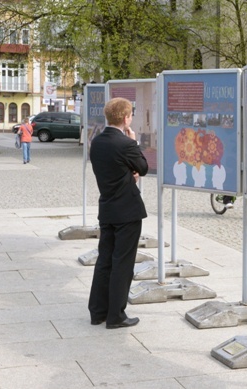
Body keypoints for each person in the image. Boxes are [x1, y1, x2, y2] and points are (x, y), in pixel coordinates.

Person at [88, 97, 148, 329]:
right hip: (127, 211)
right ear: (125, 118)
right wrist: (133, 142)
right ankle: (116, 315)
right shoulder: (125, 143)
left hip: (107, 208)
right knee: (122, 263)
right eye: (131, 114)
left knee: (104, 260)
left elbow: (111, 171)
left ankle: (98, 312)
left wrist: (126, 175)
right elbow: (142, 167)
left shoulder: (98, 142)